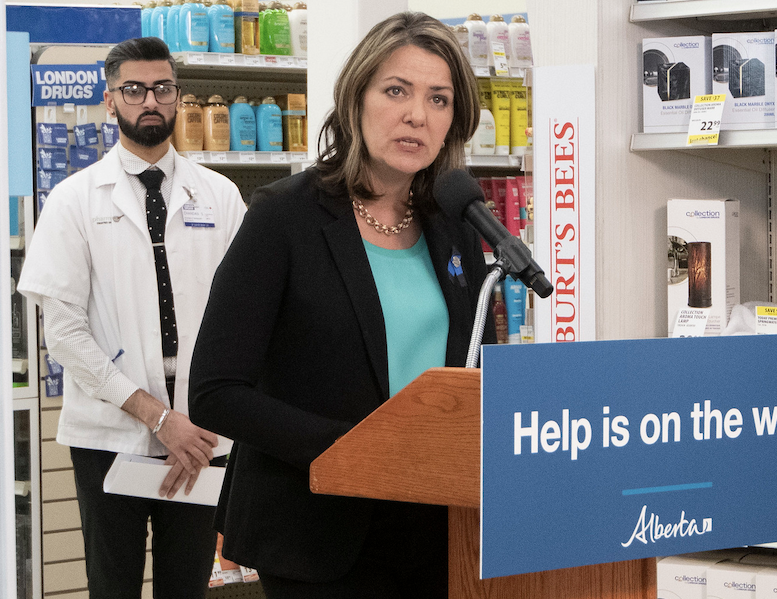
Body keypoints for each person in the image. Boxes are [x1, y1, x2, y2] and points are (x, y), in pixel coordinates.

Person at [189, 11, 495, 599]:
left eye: (439, 99)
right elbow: (215, 389)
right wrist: (353, 446)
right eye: (397, 91)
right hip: (318, 530)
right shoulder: (285, 216)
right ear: (357, 98)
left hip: (435, 524)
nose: (416, 115)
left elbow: (477, 374)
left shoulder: (454, 223)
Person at [18, 37, 247, 599]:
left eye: (163, 88)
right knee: (112, 584)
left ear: (177, 97)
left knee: (187, 585)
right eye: (134, 89)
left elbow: (246, 318)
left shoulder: (219, 196)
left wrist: (195, 421)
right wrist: (156, 417)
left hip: (200, 434)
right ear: (110, 100)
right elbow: (65, 334)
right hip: (110, 434)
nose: (151, 100)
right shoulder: (74, 200)